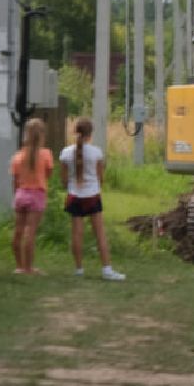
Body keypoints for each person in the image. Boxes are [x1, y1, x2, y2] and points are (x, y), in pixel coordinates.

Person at [60, 118, 125, 281]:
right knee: (100, 234)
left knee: (76, 234)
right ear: (90, 134)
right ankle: (107, 269)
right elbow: (100, 177)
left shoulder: (66, 153)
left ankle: (79, 269)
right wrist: (96, 185)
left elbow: (63, 179)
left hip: (74, 196)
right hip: (92, 196)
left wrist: (72, 186)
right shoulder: (96, 152)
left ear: (75, 132)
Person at [9, 117, 53, 275]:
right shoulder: (46, 154)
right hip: (37, 194)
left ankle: (19, 266)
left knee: (18, 231)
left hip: (21, 193)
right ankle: (29, 267)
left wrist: (17, 194)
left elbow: (15, 180)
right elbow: (48, 174)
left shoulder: (18, 156)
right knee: (30, 232)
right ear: (42, 135)